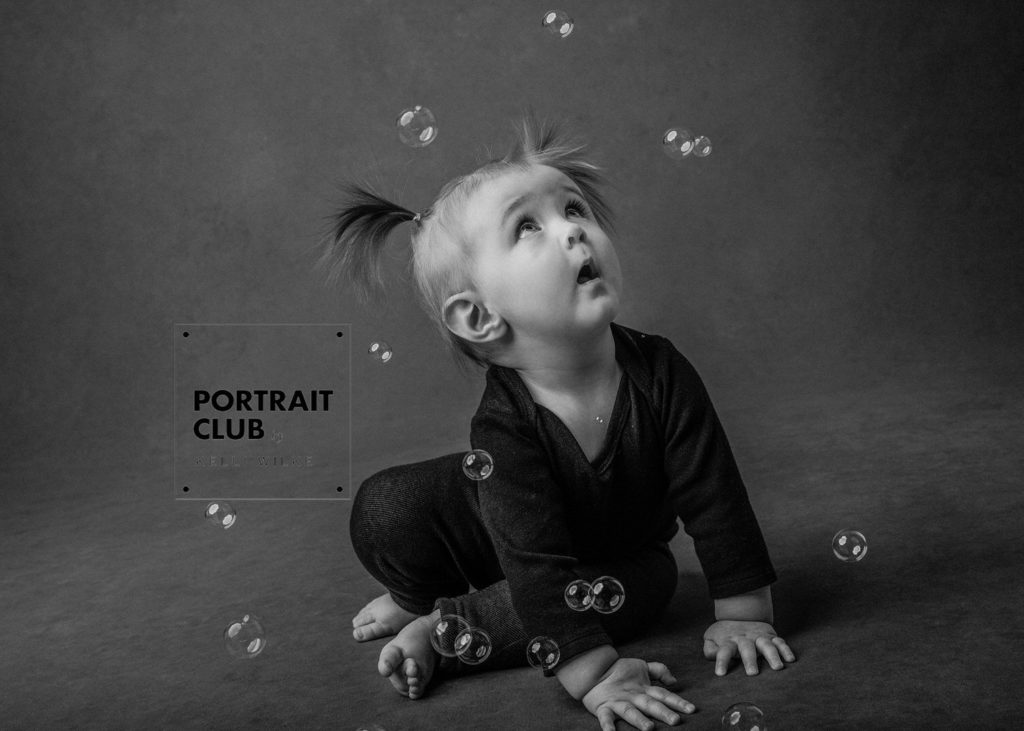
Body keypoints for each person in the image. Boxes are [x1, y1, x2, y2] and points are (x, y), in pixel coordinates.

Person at [316, 114, 796, 731]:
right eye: (528, 227)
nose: (574, 230)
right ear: (480, 318)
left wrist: (742, 609)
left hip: (610, 559)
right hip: (522, 543)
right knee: (388, 504)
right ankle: (418, 597)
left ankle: (445, 628)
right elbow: (533, 556)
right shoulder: (504, 427)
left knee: (646, 585)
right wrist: (596, 675)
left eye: (574, 209)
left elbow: (714, 494)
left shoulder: (661, 373)